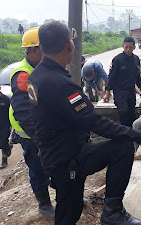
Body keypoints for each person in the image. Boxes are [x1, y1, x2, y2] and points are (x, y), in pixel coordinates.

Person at [28, 21, 141, 225]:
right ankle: (112, 213)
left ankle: (112, 211)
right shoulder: (60, 84)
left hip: (61, 153)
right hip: (67, 159)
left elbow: (37, 116)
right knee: (69, 211)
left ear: (42, 48)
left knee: (72, 205)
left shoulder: (37, 76)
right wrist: (137, 135)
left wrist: (41, 144)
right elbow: (94, 122)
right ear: (70, 46)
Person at [8, 27, 55, 220]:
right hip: (30, 133)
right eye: (45, 49)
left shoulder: (40, 68)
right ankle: (44, 205)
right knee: (37, 168)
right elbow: (23, 112)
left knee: (52, 163)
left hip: (43, 129)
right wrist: (38, 139)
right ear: (35, 50)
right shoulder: (23, 74)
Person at [103, 37, 141, 127]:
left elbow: (137, 76)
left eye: (130, 47)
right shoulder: (117, 60)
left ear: (134, 47)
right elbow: (112, 77)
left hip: (131, 90)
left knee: (131, 112)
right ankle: (125, 134)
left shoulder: (136, 59)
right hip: (119, 91)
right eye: (126, 47)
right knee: (123, 111)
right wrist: (107, 92)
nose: (128, 50)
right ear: (123, 46)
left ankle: (131, 133)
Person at [0, 86, 12, 169]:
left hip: (5, 125)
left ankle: (4, 160)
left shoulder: (6, 99)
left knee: (3, 141)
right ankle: (8, 147)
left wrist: (11, 125)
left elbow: (11, 112)